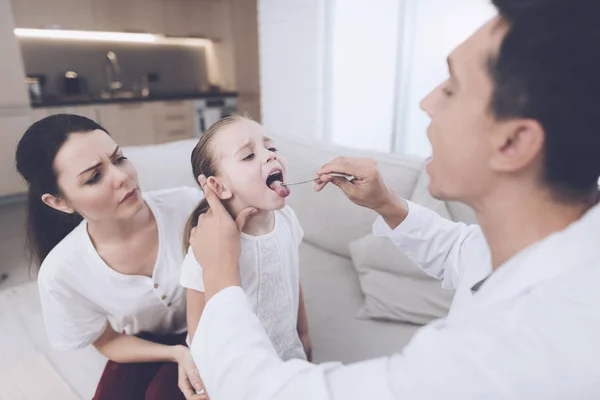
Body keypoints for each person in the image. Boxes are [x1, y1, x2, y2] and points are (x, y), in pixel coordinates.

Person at [186, 0, 600, 398]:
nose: (426, 102)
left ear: (513, 142)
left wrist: (220, 271)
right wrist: (388, 204)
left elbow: (263, 393)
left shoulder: (514, 354)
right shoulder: (557, 247)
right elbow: (466, 253)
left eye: (452, 89)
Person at [15, 114, 207, 400]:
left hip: (213, 326)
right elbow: (107, 340)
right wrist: (176, 353)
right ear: (59, 202)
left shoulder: (190, 208)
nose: (122, 178)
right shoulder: (62, 271)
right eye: (94, 177)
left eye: (119, 159)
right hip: (145, 344)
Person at [179, 116, 312, 396]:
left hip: (288, 360)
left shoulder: (287, 219)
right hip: (238, 374)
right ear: (220, 187)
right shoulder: (208, 248)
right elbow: (198, 330)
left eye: (271, 148)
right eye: (249, 155)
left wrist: (303, 334)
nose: (269, 156)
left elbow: (292, 278)